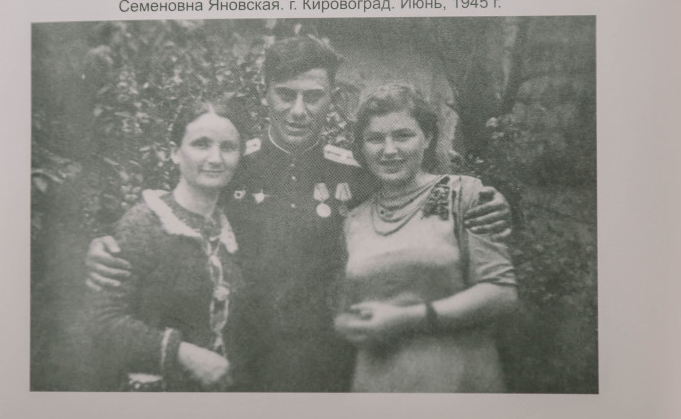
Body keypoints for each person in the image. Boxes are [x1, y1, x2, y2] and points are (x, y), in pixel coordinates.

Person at [86, 36, 513, 392]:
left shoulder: (357, 172)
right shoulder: (233, 164)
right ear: (266, 94)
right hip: (242, 361)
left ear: (331, 98)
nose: (298, 110)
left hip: (334, 362)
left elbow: (415, 199)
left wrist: (495, 205)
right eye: (286, 94)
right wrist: (105, 244)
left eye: (313, 96)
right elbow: (175, 212)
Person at [334, 84, 518, 392]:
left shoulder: (465, 194)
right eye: (375, 139)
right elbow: (345, 310)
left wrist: (406, 319)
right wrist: (349, 325)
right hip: (377, 385)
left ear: (428, 137)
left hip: (456, 384)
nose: (389, 150)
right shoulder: (354, 219)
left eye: (403, 135)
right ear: (362, 147)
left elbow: (501, 293)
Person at [88, 100, 245, 391]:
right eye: (201, 144)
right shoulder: (145, 222)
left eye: (228, 147)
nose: (216, 158)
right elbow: (103, 322)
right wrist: (181, 353)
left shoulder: (232, 228)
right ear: (174, 152)